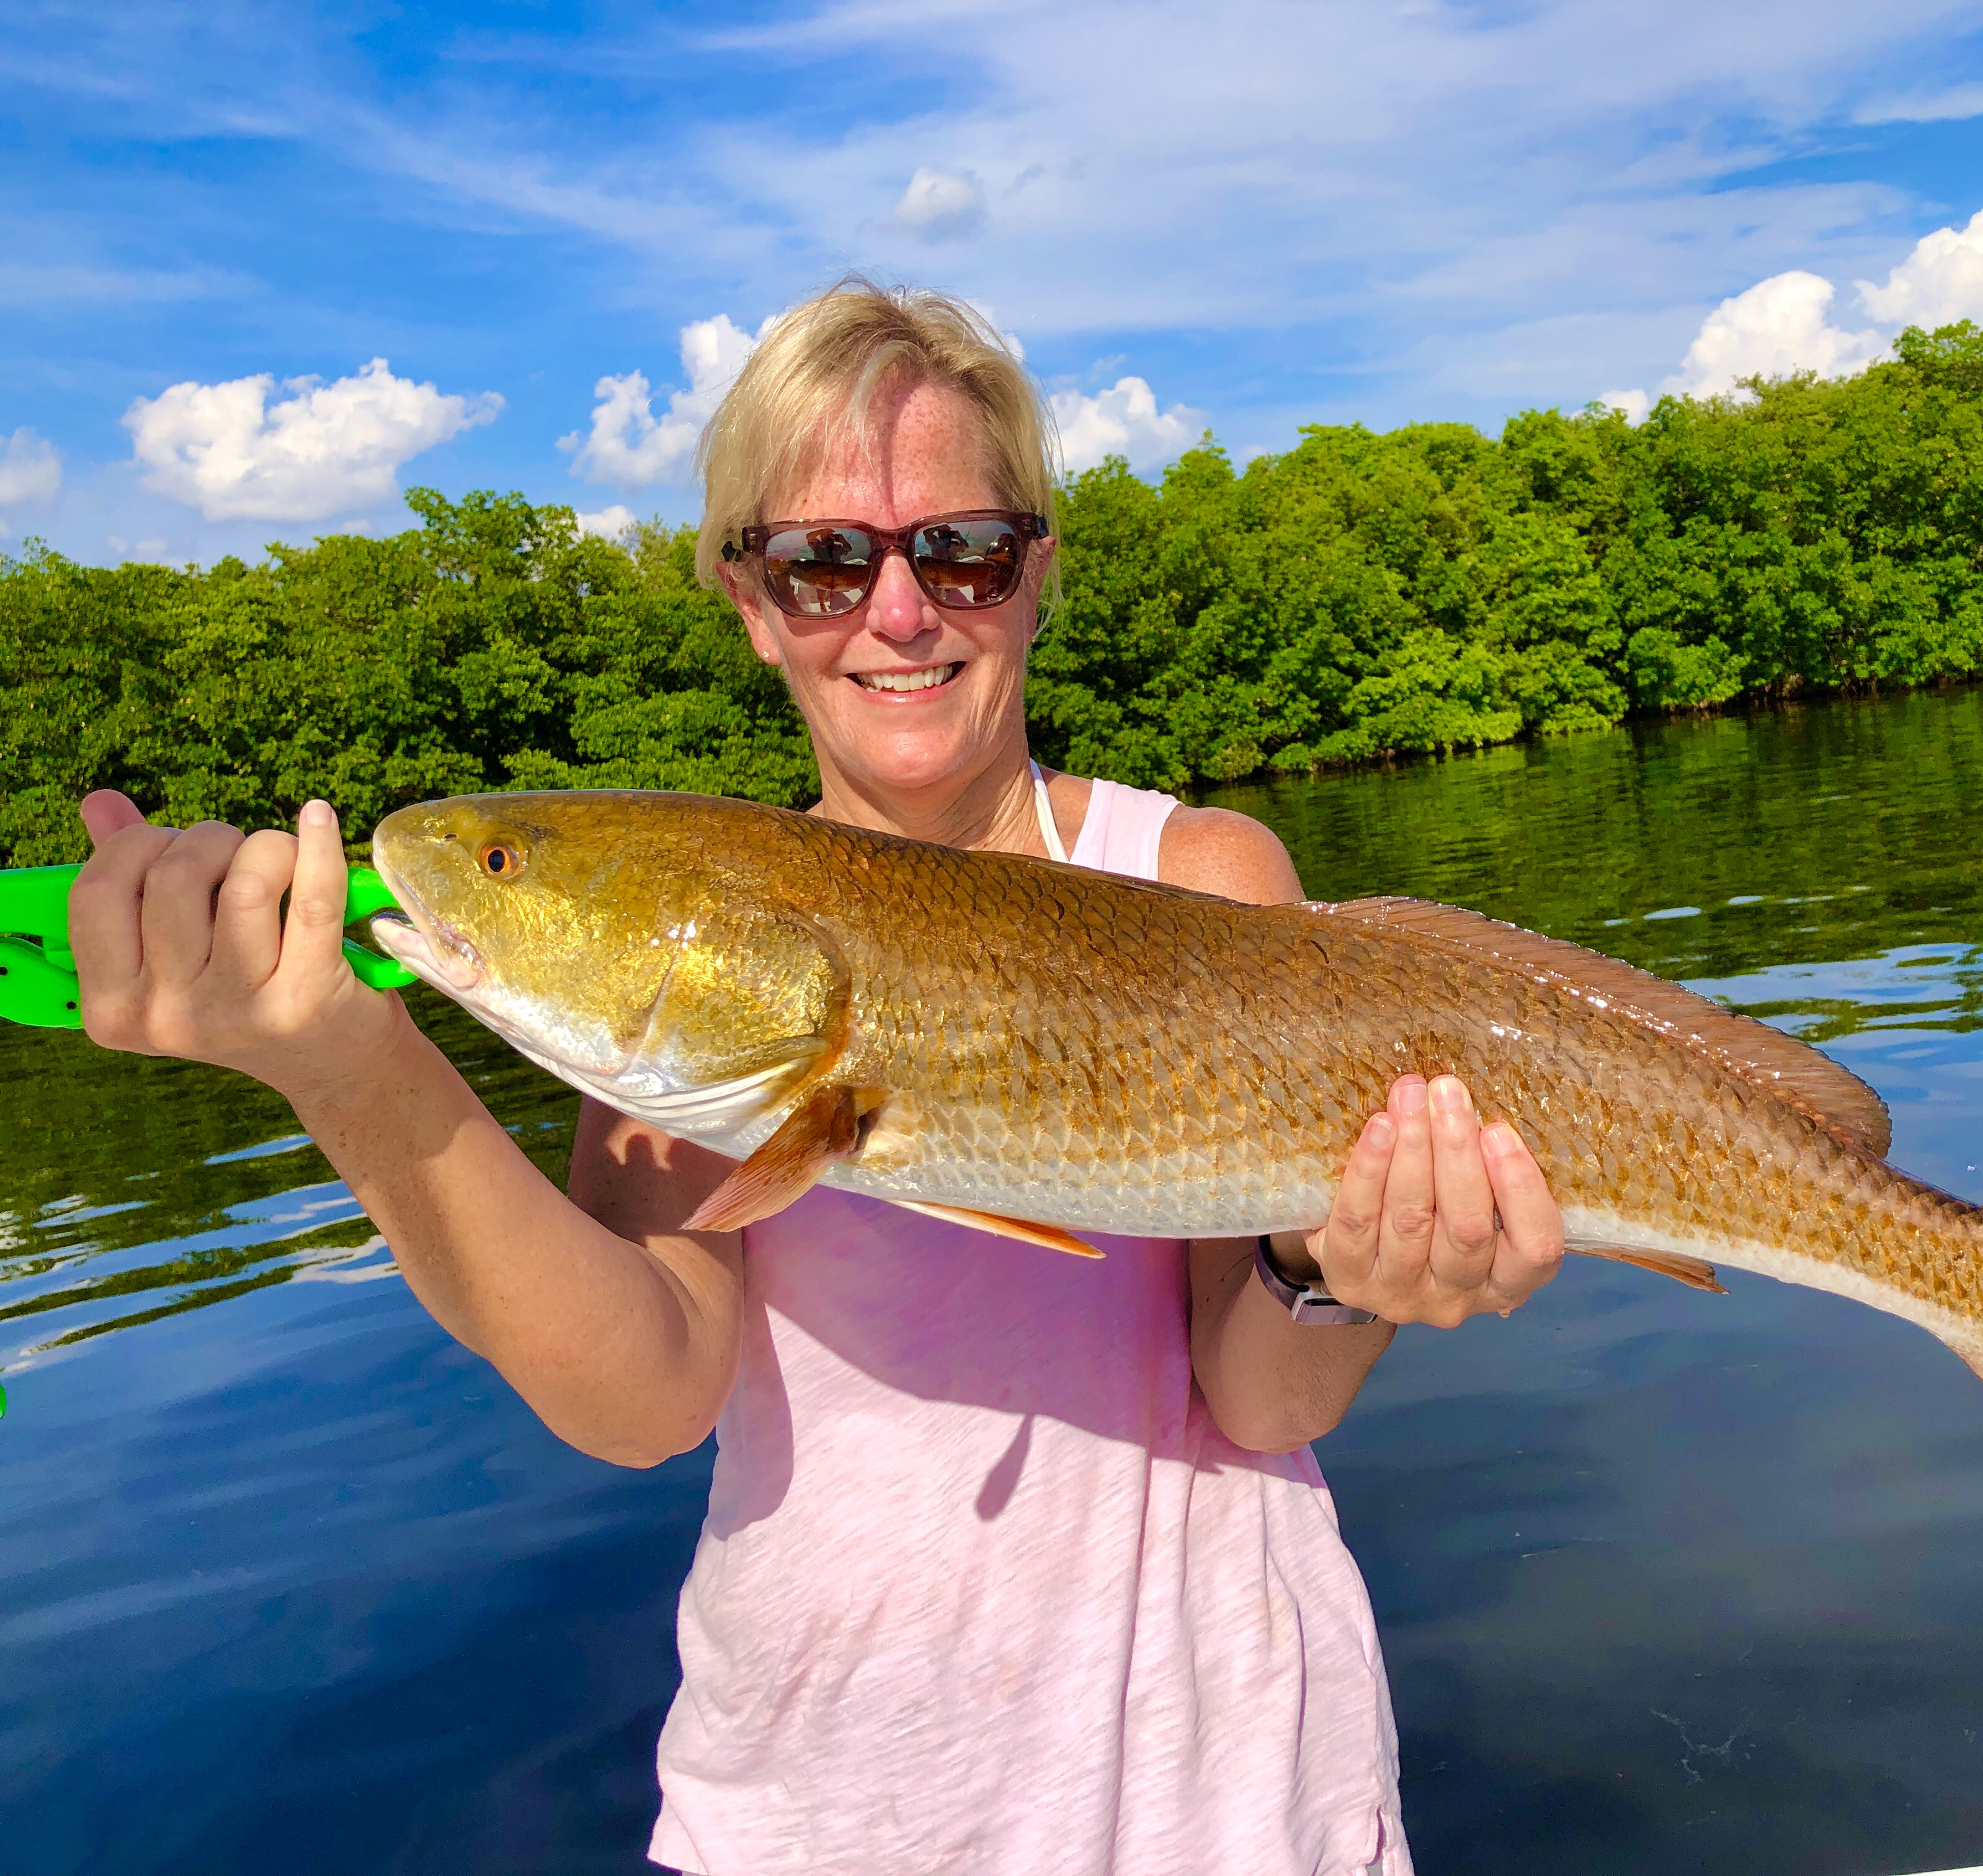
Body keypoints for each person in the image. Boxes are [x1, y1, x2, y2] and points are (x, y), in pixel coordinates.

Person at [67, 279, 1567, 1875]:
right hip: (819, 1819)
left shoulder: (1200, 877)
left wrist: (1347, 1272)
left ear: (1037, 577)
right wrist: (355, 1076)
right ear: (749, 598)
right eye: (825, 560)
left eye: (964, 550)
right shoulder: (687, 963)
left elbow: (1263, 1397)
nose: (900, 613)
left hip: (1234, 1803)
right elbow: (643, 1400)